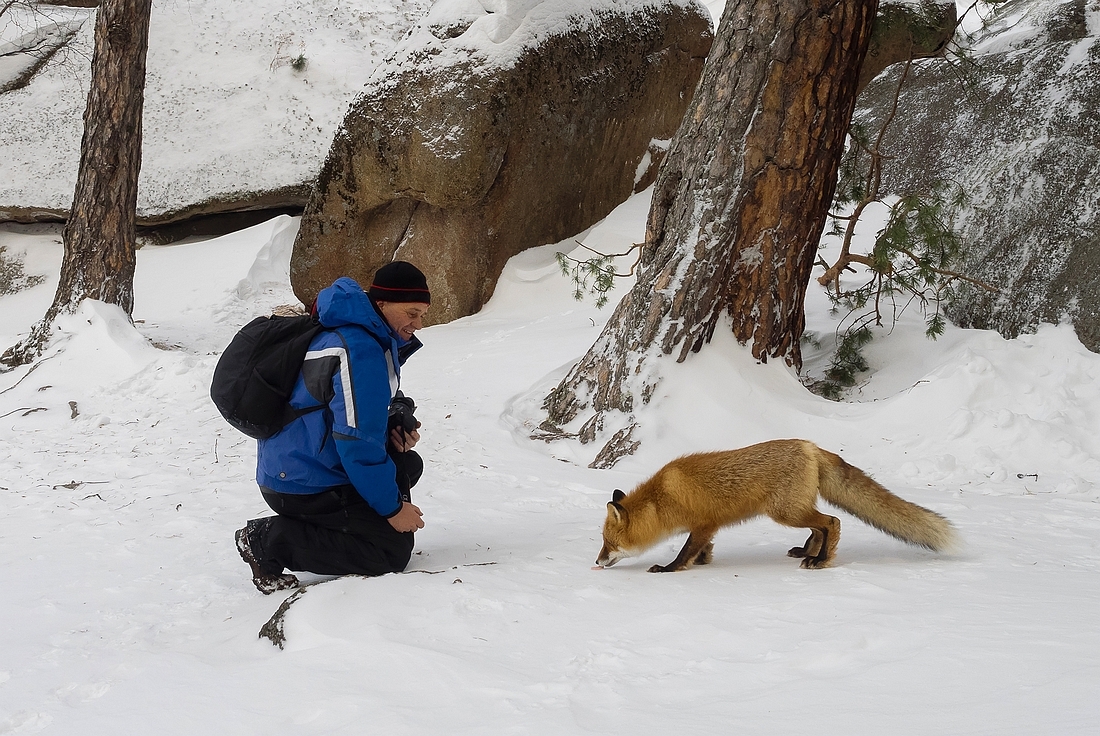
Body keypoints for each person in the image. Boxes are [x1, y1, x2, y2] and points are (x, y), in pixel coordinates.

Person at [234, 262, 431, 593]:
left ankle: (333, 525)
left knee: (405, 465)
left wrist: (397, 414)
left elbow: (354, 406)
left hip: (298, 467)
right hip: (302, 482)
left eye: (422, 314)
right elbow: (357, 444)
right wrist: (394, 510)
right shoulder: (360, 348)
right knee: (390, 553)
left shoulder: (357, 332)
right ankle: (268, 541)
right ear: (382, 304)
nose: (418, 323)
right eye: (411, 312)